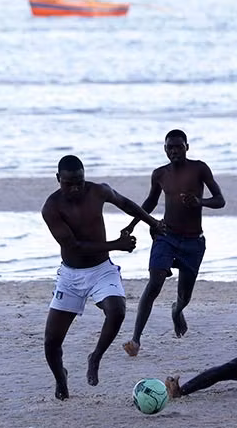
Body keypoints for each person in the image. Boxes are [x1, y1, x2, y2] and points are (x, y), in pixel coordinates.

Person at [42, 155, 165, 400]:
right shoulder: (51, 208)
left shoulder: (98, 191)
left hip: (100, 270)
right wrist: (116, 245)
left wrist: (151, 222)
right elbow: (74, 246)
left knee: (117, 310)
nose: (76, 188)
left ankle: (95, 356)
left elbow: (126, 203)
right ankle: (61, 378)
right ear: (58, 180)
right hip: (70, 276)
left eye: (79, 181)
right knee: (51, 342)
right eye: (69, 183)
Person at [121, 129, 225, 357]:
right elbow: (149, 202)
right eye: (170, 147)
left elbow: (220, 200)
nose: (174, 151)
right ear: (164, 149)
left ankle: (177, 312)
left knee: (184, 296)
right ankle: (136, 339)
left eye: (179, 146)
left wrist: (200, 201)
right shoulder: (160, 174)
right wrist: (132, 224)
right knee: (155, 281)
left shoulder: (199, 168)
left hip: (193, 242)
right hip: (165, 235)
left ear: (187, 146)